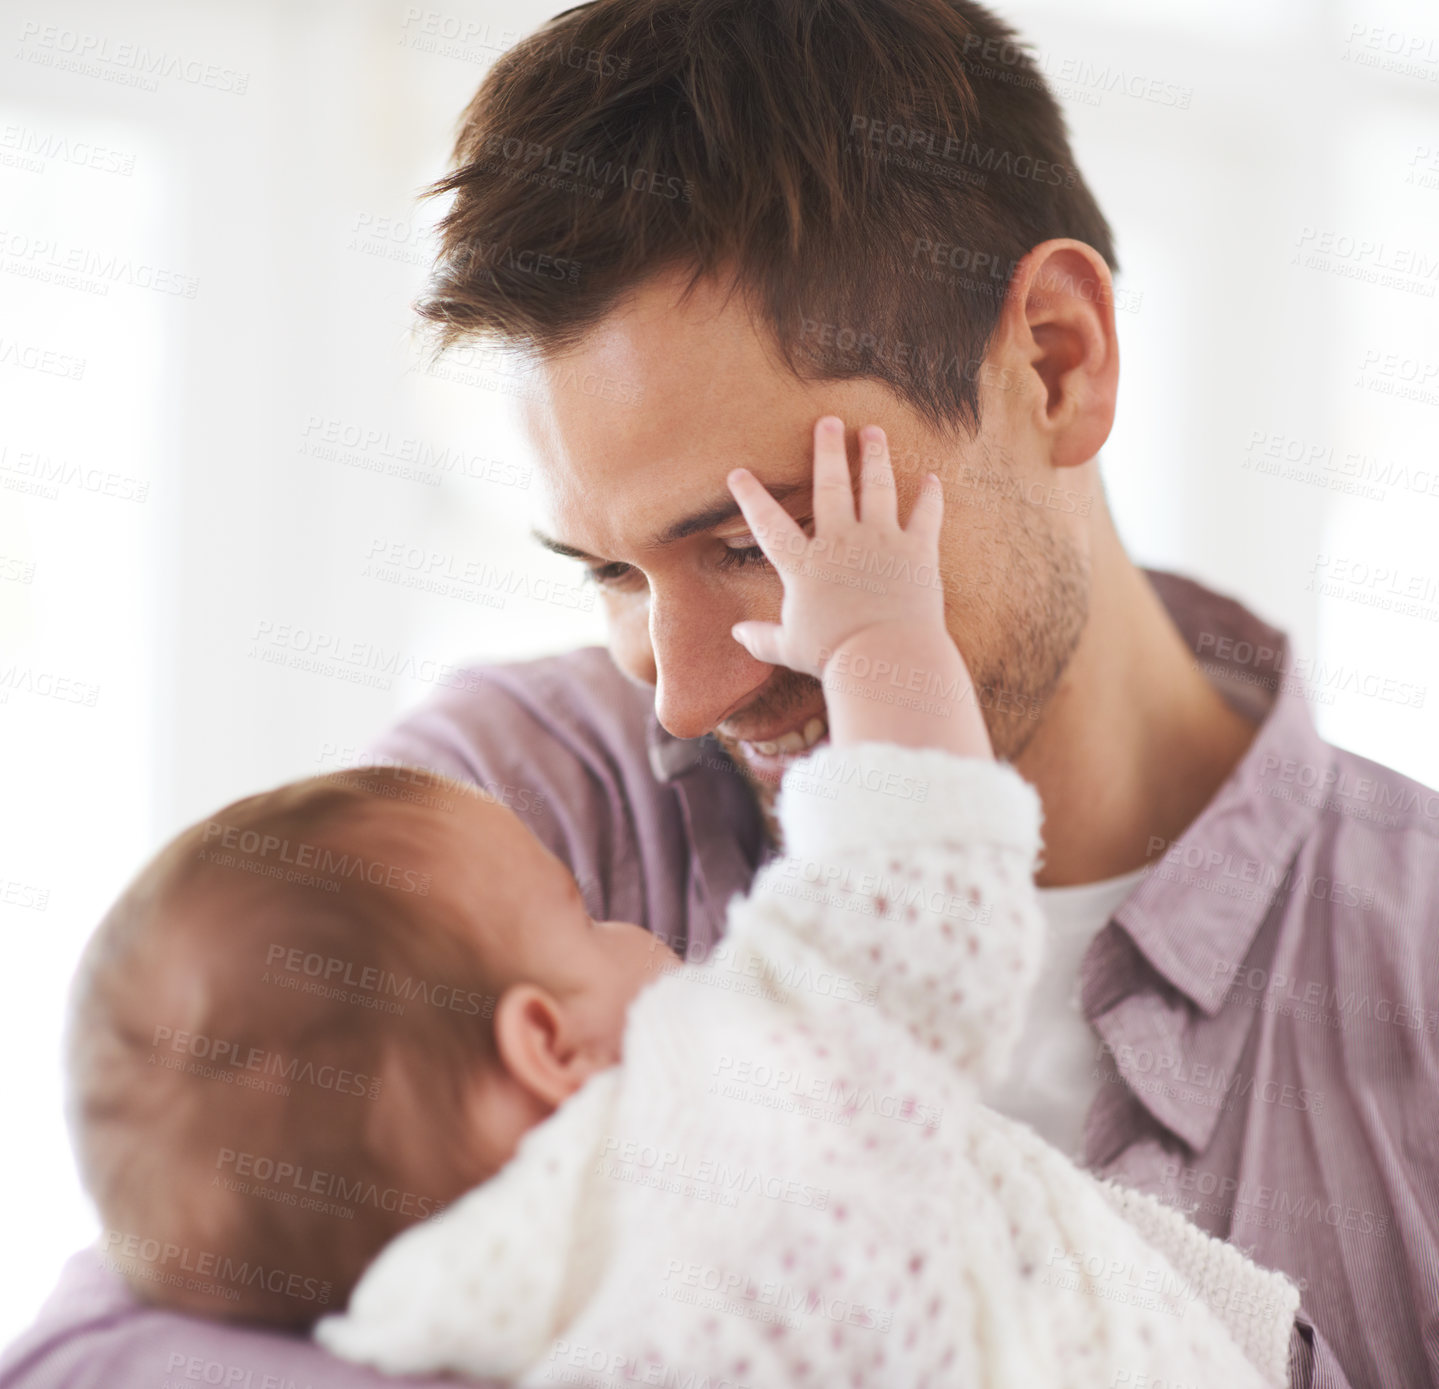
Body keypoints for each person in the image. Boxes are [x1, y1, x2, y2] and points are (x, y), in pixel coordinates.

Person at [5, 0, 1434, 1385]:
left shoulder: (1409, 976)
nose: (680, 698)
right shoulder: (504, 813)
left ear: (1056, 362)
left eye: (752, 540)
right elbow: (120, 1346)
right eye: (612, 575)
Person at [67, 430, 1298, 1388]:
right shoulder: (734, 1105)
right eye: (568, 911)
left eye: (759, 543)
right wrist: (874, 632)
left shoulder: (436, 1329)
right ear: (543, 1043)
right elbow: (919, 898)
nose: (623, 923)